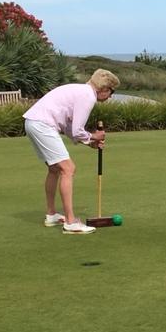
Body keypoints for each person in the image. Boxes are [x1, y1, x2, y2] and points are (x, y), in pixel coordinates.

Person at [23, 69, 120, 234]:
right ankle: (70, 222)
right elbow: (77, 130)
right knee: (68, 169)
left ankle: (52, 214)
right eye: (112, 92)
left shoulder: (80, 91)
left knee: (55, 169)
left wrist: (90, 142)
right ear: (104, 89)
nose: (110, 96)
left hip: (33, 122)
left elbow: (69, 127)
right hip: (43, 124)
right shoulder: (88, 96)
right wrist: (94, 136)